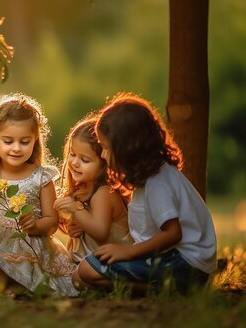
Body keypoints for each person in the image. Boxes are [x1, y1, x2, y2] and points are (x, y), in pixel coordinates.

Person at [78, 93, 217, 294]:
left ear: (127, 149)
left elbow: (173, 233)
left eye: (106, 148)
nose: (102, 155)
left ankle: (170, 290)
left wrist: (127, 252)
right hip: (179, 260)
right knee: (83, 274)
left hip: (185, 264)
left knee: (87, 271)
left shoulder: (157, 183)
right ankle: (164, 287)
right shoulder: (153, 176)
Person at [0, 93, 78, 297]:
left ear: (35, 140)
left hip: (28, 243)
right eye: (8, 141)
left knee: (21, 273)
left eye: (25, 141)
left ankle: (9, 284)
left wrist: (36, 225)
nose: (16, 148)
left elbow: (52, 222)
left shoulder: (41, 177)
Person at [53, 114, 132, 288]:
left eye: (85, 160)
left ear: (105, 163)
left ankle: (131, 286)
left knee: (75, 280)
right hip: (90, 262)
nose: (74, 163)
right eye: (72, 154)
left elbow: (100, 232)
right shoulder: (83, 189)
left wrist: (76, 210)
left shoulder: (104, 192)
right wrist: (74, 228)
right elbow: (89, 229)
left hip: (113, 261)